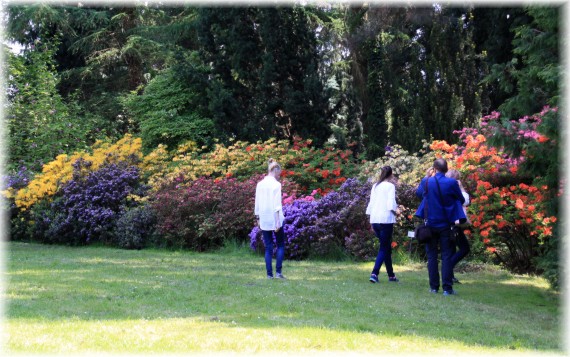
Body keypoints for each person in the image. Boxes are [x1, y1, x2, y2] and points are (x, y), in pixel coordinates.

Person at [415, 159, 465, 295]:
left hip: (429, 223)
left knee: (431, 256)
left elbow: (419, 194)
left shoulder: (426, 181)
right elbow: (461, 199)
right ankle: (447, 289)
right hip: (445, 224)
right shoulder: (451, 183)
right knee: (446, 255)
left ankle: (434, 287)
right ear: (446, 169)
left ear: (434, 168)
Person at [366, 166, 400, 283]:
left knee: (386, 247)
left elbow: (371, 203)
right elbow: (391, 203)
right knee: (384, 247)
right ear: (390, 174)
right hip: (386, 220)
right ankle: (374, 273)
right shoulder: (390, 186)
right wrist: (397, 211)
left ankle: (391, 275)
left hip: (375, 218)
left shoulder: (375, 186)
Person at [255, 158, 286, 279]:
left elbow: (257, 203)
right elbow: (277, 204)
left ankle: (269, 275)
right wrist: (278, 221)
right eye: (279, 173)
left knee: (268, 247)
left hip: (264, 218)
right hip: (274, 218)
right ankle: (278, 273)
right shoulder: (276, 185)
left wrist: (257, 217)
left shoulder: (260, 184)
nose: (279, 176)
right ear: (276, 170)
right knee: (280, 245)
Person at [446, 169, 471, 284]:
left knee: (451, 249)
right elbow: (465, 201)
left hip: (447, 222)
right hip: (455, 223)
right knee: (465, 248)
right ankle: (448, 268)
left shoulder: (444, 188)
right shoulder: (456, 189)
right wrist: (461, 187)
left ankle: (450, 275)